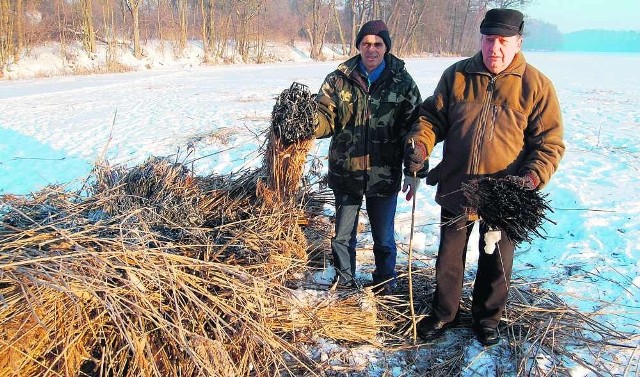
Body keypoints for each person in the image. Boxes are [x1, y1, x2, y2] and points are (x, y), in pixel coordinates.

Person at [403, 8, 564, 345]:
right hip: (457, 185)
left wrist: (531, 178)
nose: (495, 48)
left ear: (518, 42)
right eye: (489, 39)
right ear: (481, 39)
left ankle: (487, 318)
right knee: (448, 258)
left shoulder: (536, 86)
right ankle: (444, 313)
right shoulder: (457, 75)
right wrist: (420, 143)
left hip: (505, 193)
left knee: (497, 263)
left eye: (503, 41)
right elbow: (432, 118)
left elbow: (549, 143)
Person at [314, 20, 423, 295]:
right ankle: (345, 283)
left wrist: (414, 171)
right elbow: (325, 118)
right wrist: (309, 124)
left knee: (384, 238)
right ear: (358, 46)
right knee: (342, 236)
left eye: (378, 44)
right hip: (346, 172)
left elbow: (416, 129)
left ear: (386, 47)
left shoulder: (403, 83)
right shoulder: (338, 79)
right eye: (366, 43)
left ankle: (385, 282)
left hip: (384, 175)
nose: (371, 49)